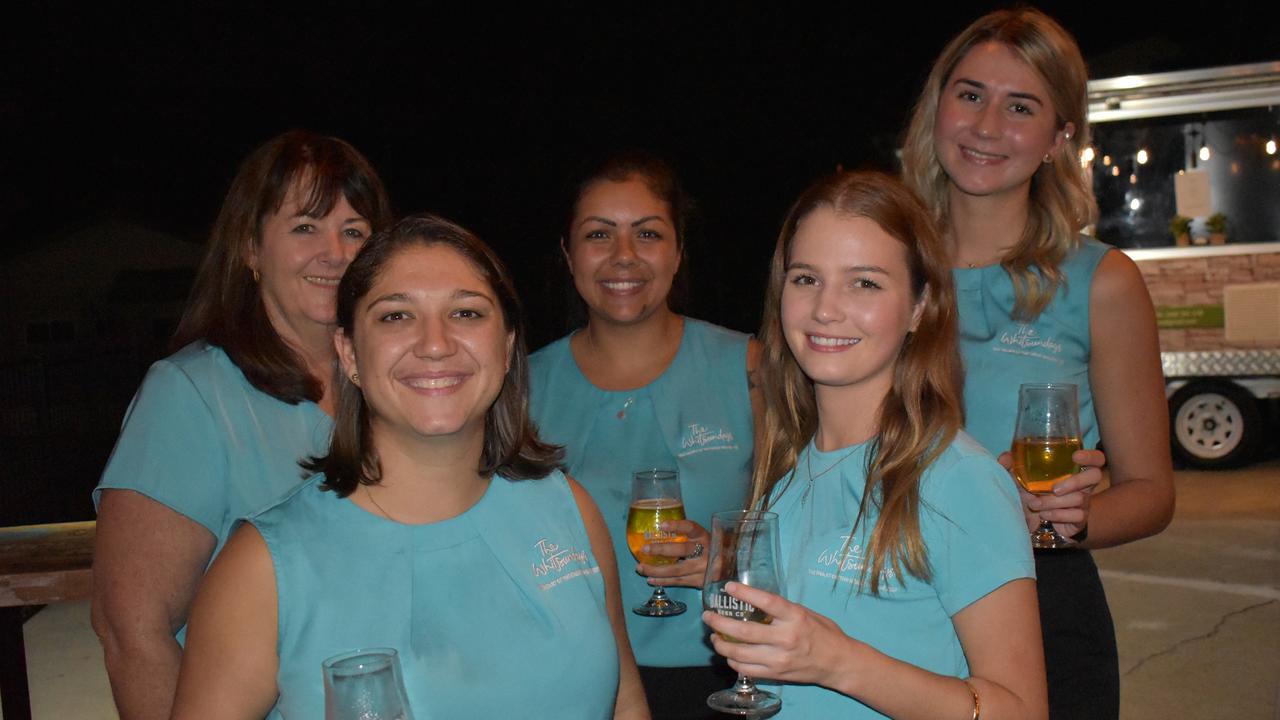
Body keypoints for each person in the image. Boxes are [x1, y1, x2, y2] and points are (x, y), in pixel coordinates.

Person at [170, 214, 648, 719]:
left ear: (507, 347)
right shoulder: (261, 570)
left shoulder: (570, 511)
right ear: (349, 352)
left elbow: (626, 703)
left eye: (466, 313)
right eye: (396, 316)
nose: (436, 344)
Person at [900, 8, 1175, 718]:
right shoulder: (880, 266)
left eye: (1020, 106)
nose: (987, 126)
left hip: (1041, 601)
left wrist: (1066, 520)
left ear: (1060, 137)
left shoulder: (1102, 282)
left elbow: (1151, 492)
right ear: (937, 108)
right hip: (892, 596)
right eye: (970, 95)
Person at [705, 170, 1046, 718]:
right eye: (805, 278)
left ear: (919, 306)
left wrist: (837, 662)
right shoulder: (787, 470)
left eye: (864, 282)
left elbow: (1022, 710)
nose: (825, 309)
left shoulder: (958, 478)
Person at [91, 129, 392, 719]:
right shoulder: (192, 396)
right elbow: (133, 632)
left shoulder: (397, 389)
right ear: (251, 249)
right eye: (305, 227)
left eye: (354, 230)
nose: (335, 252)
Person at [528, 151, 761, 718]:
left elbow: (807, 526)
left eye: (648, 233)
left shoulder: (751, 367)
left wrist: (726, 557)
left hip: (730, 675)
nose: (623, 256)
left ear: (678, 251)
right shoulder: (520, 388)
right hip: (578, 680)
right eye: (599, 234)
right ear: (568, 253)